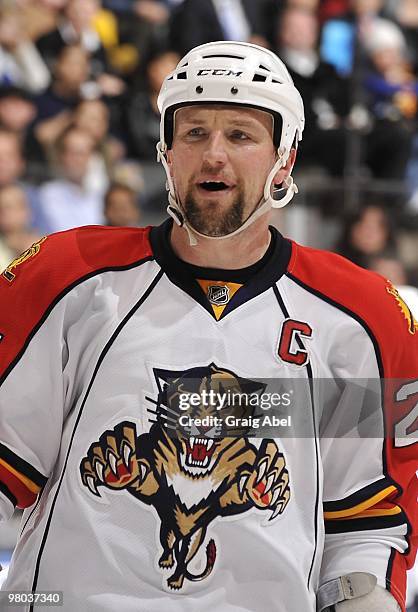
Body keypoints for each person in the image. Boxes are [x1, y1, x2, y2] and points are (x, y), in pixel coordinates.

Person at [0, 41, 416, 612]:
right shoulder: (65, 277)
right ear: (166, 152)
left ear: (284, 158)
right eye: (194, 133)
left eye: (240, 135)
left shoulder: (364, 317)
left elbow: (368, 523)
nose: (213, 154)